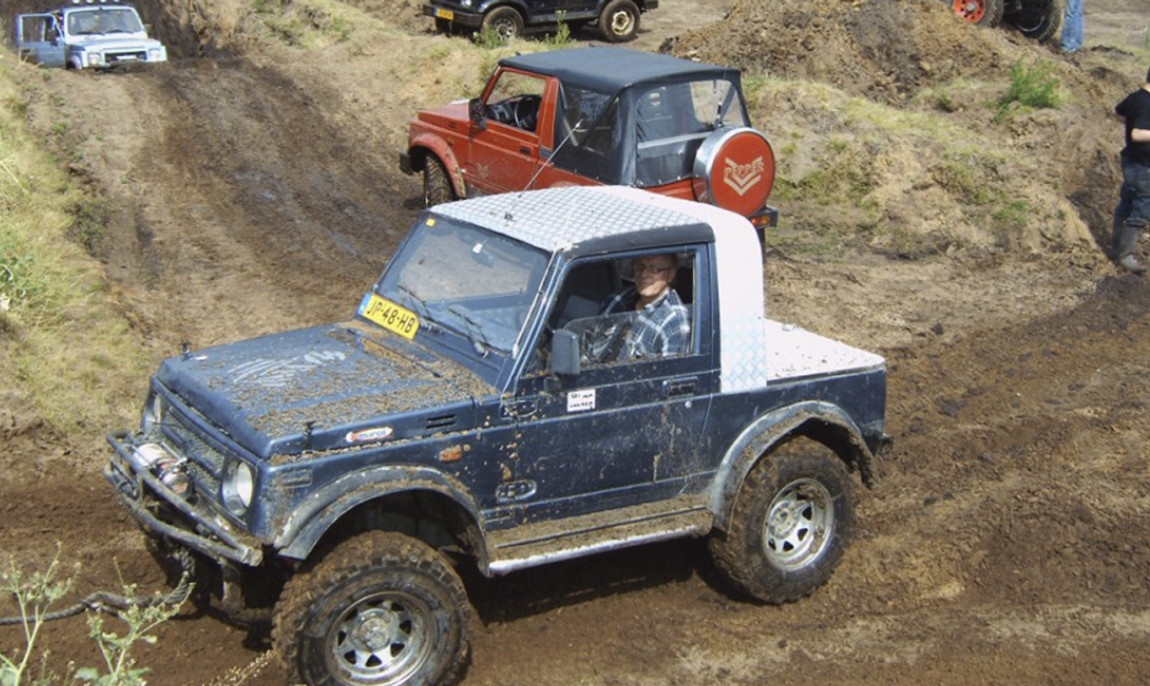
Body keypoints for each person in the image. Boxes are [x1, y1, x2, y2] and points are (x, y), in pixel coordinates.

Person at [599, 253, 691, 359]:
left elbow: (670, 373)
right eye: (640, 266)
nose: (644, 274)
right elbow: (593, 342)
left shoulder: (674, 324)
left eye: (655, 269)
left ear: (671, 274)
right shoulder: (620, 299)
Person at [1112, 66, 1150, 274]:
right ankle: (1125, 255)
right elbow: (1137, 134)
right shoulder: (1147, 104)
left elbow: (1118, 112)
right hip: (1142, 166)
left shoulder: (1136, 97)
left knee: (1126, 203)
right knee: (1143, 208)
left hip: (1132, 161)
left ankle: (1117, 249)